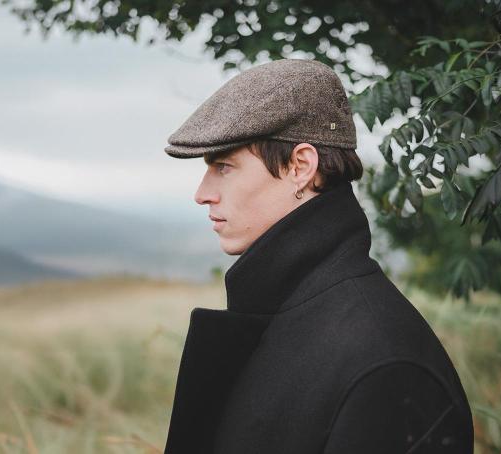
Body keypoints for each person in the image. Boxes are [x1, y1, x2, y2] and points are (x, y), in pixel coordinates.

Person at [161, 58, 474, 453]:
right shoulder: (285, 313)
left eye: (224, 167)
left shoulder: (386, 365)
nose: (202, 194)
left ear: (301, 166)